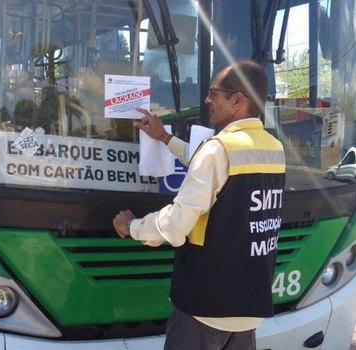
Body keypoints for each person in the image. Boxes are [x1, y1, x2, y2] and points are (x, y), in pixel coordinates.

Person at [112, 59, 285, 350]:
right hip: (250, 307)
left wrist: (132, 226)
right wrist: (165, 138)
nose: (207, 100)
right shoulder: (273, 148)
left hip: (207, 306)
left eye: (214, 93)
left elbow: (176, 225)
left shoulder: (219, 150)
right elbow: (220, 177)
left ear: (238, 100)